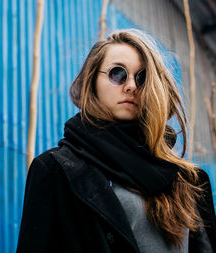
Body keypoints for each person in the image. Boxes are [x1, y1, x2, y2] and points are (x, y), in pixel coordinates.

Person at [16, 29, 216, 253]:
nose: (131, 86)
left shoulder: (187, 180)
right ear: (92, 82)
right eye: (117, 74)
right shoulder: (55, 170)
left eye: (142, 77)